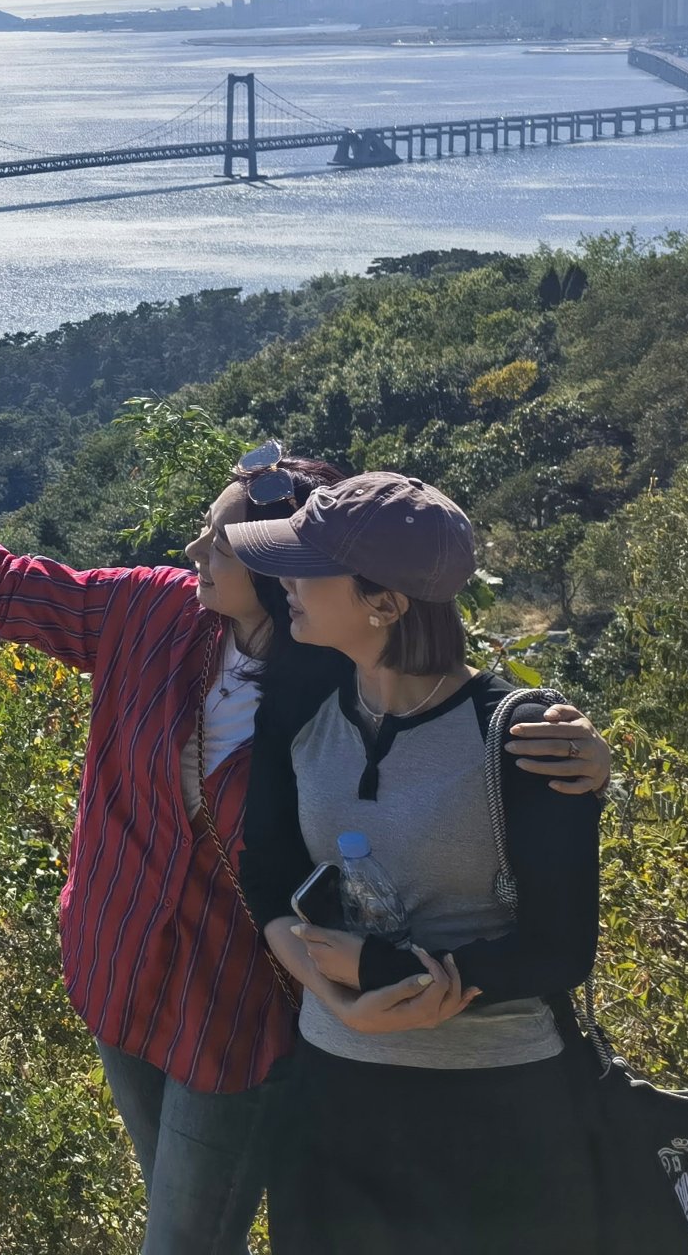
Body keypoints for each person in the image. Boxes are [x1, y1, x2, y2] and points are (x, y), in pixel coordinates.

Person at [0, 450, 609, 1255]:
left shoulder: (324, 687)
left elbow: (444, 708)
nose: (194, 547)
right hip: (119, 967)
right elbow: (6, 585)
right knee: (186, 1202)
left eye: (222, 538)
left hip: (233, 1009)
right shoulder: (155, 615)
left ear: (286, 572)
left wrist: (578, 753)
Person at [233, 472, 604, 1254]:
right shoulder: (302, 713)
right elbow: (263, 874)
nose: (282, 584)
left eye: (305, 568)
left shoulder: (525, 735)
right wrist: (332, 1000)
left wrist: (375, 971)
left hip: (496, 1111)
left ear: (385, 602)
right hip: (333, 1096)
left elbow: (558, 950)